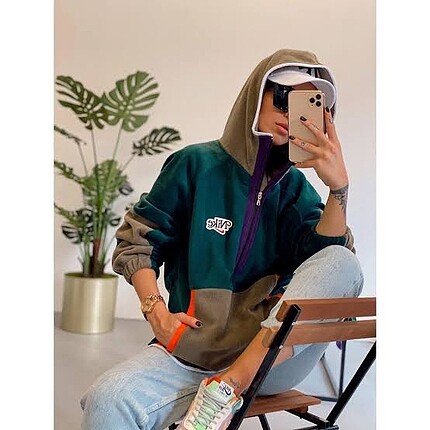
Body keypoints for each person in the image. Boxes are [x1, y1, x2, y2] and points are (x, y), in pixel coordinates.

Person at [80, 48, 363, 430]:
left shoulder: (295, 189)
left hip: (270, 359)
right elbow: (138, 241)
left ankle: (227, 388)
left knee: (342, 260)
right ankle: (218, 394)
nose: (289, 114)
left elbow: (329, 266)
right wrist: (156, 311)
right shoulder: (195, 165)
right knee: (107, 400)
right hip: (194, 350)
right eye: (282, 97)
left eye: (306, 107)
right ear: (256, 94)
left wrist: (338, 189)